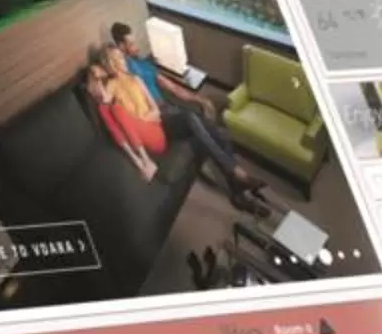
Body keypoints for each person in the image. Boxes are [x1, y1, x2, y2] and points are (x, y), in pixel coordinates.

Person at [95, 42, 273, 210]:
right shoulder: (110, 87)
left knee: (211, 129)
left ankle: (236, 184)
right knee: (193, 119)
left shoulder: (136, 80)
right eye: (116, 59)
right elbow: (102, 100)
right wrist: (96, 73)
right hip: (150, 131)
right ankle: (236, 175)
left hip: (161, 120)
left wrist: (151, 115)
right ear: (109, 64)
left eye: (121, 57)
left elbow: (155, 108)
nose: (122, 61)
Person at [107, 22, 249, 172]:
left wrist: (201, 100)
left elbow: (173, 88)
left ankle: (234, 175)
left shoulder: (144, 64)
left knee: (217, 131)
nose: (137, 46)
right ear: (121, 46)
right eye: (132, 43)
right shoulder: (121, 69)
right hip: (158, 118)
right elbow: (104, 73)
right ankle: (233, 170)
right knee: (190, 118)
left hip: (168, 108)